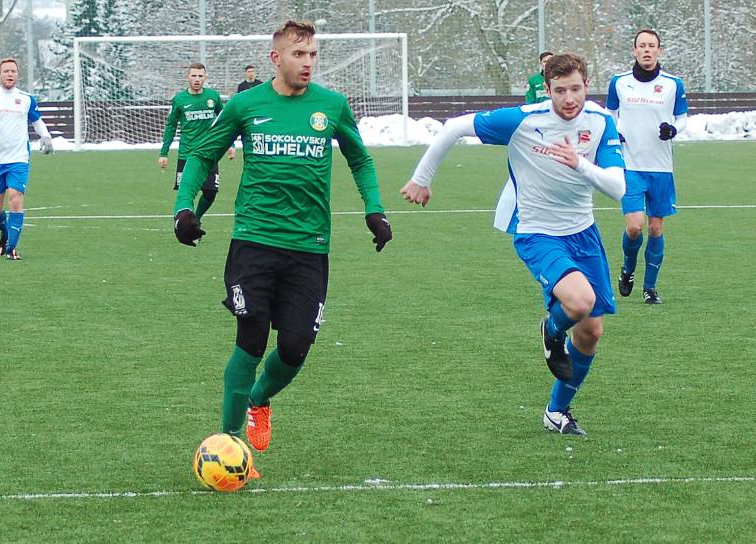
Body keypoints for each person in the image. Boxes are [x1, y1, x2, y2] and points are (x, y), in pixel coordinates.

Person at [172, 20, 392, 460]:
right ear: (277, 58)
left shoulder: (331, 106)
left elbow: (360, 160)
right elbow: (201, 154)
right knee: (250, 339)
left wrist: (375, 209)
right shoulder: (245, 104)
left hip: (309, 248)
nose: (307, 62)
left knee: (294, 349)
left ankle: (259, 399)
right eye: (298, 54)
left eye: (312, 54)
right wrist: (183, 207)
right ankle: (228, 445)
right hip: (253, 241)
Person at [401, 53, 625, 436]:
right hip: (538, 232)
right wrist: (422, 178)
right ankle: (551, 332)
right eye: (559, 91)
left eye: (575, 89)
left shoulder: (601, 122)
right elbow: (454, 126)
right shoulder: (525, 120)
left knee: (591, 332)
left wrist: (580, 165)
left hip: (584, 233)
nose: (568, 99)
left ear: (587, 85)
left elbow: (617, 187)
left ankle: (557, 412)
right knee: (579, 301)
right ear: (547, 89)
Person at [606, 29, 688, 304]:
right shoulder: (618, 82)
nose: (647, 50)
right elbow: (611, 116)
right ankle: (628, 269)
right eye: (642, 46)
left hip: (661, 167)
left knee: (655, 229)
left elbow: (682, 117)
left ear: (659, 51)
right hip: (630, 165)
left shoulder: (673, 83)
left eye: (652, 46)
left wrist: (673, 129)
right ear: (634, 50)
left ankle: (650, 288)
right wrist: (615, 132)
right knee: (634, 227)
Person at [0, 57, 53, 260]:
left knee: (16, 200)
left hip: (19, 158)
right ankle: (6, 233)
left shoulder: (26, 99)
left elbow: (37, 121)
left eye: (13, 71)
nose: (10, 74)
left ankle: (11, 248)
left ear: (18, 75)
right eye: (6, 71)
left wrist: (46, 136)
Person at [158, 63, 235, 223]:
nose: (197, 79)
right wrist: (164, 153)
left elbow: (225, 121)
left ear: (205, 77)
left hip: (209, 153)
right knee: (186, 194)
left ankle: (196, 219)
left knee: (210, 193)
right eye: (194, 76)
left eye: (200, 76)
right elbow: (171, 126)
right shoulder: (179, 99)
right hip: (187, 154)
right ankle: (184, 224)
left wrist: (231, 144)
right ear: (188, 77)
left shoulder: (213, 97)